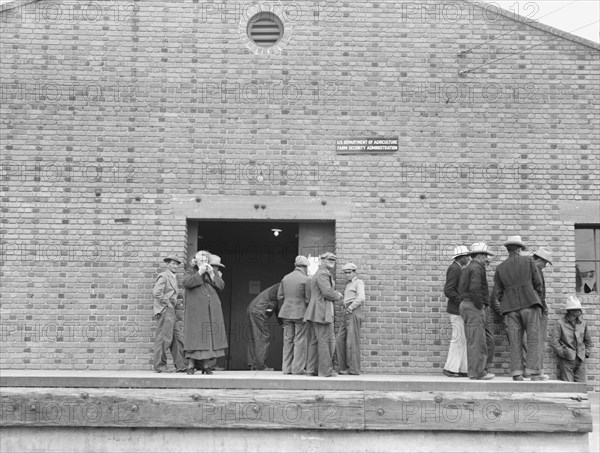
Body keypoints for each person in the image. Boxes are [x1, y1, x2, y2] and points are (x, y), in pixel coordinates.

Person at [494, 235, 547, 381]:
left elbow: (498, 293)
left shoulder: (500, 268)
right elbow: (538, 283)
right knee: (533, 339)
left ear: (508, 249)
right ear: (519, 249)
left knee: (515, 341)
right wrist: (538, 298)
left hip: (510, 308)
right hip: (530, 303)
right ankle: (534, 372)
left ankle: (517, 373)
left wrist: (507, 302)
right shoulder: (529, 260)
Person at [182, 251, 227, 375]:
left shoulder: (212, 273)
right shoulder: (190, 272)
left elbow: (221, 286)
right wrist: (200, 272)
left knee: (208, 338)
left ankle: (206, 366)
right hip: (196, 312)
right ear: (195, 261)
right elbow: (187, 283)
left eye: (205, 260)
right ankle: (191, 366)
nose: (203, 262)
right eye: (201, 260)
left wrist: (212, 273)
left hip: (210, 311)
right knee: (194, 338)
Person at [458, 243, 495, 380]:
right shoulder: (477, 268)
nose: (487, 259)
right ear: (479, 256)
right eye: (486, 256)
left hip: (468, 305)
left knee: (474, 340)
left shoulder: (470, 267)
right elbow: (475, 289)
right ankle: (478, 372)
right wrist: (480, 306)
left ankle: (475, 371)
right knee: (478, 341)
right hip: (473, 306)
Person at [304, 252, 343, 377]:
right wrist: (338, 295)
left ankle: (312, 370)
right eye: (329, 259)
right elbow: (327, 292)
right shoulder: (322, 273)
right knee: (325, 342)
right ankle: (325, 371)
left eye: (333, 259)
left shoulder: (321, 273)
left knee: (316, 342)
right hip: (321, 312)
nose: (332, 260)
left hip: (319, 311)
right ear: (321, 261)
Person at [152, 254, 187, 373]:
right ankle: (159, 365)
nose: (175, 266)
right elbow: (157, 292)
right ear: (167, 264)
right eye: (173, 263)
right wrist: (167, 303)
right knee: (163, 338)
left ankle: (181, 365)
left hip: (171, 311)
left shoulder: (173, 277)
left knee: (178, 338)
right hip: (165, 310)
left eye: (177, 264)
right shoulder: (164, 276)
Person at [278, 256, 311, 375]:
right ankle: (298, 369)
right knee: (300, 340)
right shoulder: (306, 279)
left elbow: (280, 296)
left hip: (286, 313)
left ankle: (286, 368)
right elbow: (308, 299)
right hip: (300, 313)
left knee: (288, 340)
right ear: (305, 267)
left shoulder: (285, 278)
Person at [442, 245, 470, 378]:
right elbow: (448, 290)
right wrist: (461, 301)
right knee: (458, 339)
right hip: (456, 310)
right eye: (466, 256)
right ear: (461, 257)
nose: (468, 258)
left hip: (458, 309)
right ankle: (450, 368)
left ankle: (461, 369)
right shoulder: (454, 269)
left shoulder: (458, 268)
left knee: (462, 339)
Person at [551, 296, 592, 382]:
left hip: (580, 359)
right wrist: (564, 354)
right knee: (569, 388)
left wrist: (586, 353)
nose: (581, 311)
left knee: (581, 387)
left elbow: (588, 341)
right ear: (572, 311)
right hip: (567, 360)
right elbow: (554, 342)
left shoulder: (583, 323)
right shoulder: (560, 323)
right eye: (578, 309)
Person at [336, 262, 365, 375]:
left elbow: (361, 298)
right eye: (345, 273)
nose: (347, 274)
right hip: (346, 313)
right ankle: (343, 367)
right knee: (339, 340)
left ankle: (353, 369)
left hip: (353, 311)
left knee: (351, 342)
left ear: (354, 272)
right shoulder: (348, 285)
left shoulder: (358, 282)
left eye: (349, 272)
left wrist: (351, 307)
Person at [247, 283, 281, 371]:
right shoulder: (282, 287)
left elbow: (276, 306)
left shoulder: (277, 287)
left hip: (253, 308)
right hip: (258, 311)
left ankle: (253, 364)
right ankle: (260, 366)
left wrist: (281, 323)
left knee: (255, 338)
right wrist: (282, 323)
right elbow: (273, 307)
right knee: (263, 336)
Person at [532, 247, 553, 370]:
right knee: (538, 339)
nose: (545, 266)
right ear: (539, 260)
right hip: (537, 308)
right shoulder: (535, 270)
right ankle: (536, 368)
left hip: (537, 307)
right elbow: (539, 290)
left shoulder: (534, 269)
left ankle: (536, 368)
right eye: (545, 263)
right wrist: (543, 305)